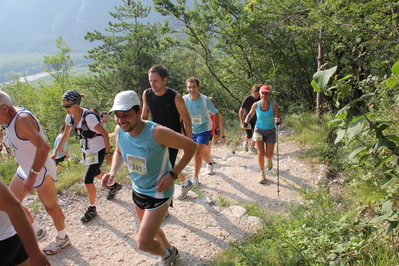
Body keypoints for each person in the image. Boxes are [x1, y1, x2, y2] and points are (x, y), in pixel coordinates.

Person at [102, 90, 196, 266]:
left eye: (126, 115)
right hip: (138, 189)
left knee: (143, 243)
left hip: (159, 191)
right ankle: (171, 251)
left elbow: (191, 146)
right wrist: (113, 172)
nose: (121, 120)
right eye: (117, 115)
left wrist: (173, 174)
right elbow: (120, 151)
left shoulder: (157, 132)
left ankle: (166, 254)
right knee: (152, 231)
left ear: (139, 112)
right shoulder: (119, 130)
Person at [0, 91, 70, 255]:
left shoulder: (21, 120)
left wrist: (32, 175)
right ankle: (37, 231)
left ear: (4, 108)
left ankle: (62, 236)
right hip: (24, 168)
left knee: (51, 208)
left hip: (40, 169)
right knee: (12, 205)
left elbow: (43, 147)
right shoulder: (8, 119)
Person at [51, 90, 122, 223]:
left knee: (87, 180)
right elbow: (65, 135)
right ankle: (113, 185)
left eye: (68, 106)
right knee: (95, 173)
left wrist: (108, 154)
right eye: (64, 106)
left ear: (76, 104)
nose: (65, 109)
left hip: (98, 148)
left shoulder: (88, 117)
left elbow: (105, 134)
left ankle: (92, 208)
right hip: (87, 150)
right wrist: (55, 152)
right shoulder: (69, 117)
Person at [141, 64, 194, 200]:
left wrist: (188, 144)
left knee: (165, 173)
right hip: (155, 136)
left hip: (172, 138)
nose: (152, 84)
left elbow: (187, 120)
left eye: (156, 80)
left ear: (165, 80)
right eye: (150, 80)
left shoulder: (175, 97)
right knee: (165, 167)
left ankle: (163, 205)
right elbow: (144, 117)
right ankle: (185, 183)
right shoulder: (147, 94)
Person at [0, 180, 51, 266]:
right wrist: (34, 252)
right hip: (14, 234)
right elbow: (14, 207)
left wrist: (35, 253)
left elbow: (14, 207)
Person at [183, 77, 220, 186]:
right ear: (186, 88)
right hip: (191, 130)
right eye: (189, 87)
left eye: (194, 87)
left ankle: (195, 177)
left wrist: (217, 131)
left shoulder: (205, 100)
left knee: (197, 153)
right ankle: (209, 163)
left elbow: (216, 113)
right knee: (201, 151)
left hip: (204, 129)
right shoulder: (184, 99)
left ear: (198, 87)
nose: (192, 89)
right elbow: (181, 115)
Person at [243, 85, 281, 184]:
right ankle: (262, 173)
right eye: (262, 93)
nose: (264, 95)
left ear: (270, 94)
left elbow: (278, 116)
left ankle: (269, 159)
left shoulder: (274, 105)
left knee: (268, 154)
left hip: (270, 131)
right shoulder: (256, 105)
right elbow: (250, 114)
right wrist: (246, 122)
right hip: (258, 130)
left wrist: (278, 120)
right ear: (260, 94)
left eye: (266, 93)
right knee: (260, 154)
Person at [239, 84, 261, 153]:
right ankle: (245, 142)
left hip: (256, 119)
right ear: (252, 92)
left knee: (256, 134)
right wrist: (242, 122)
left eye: (258, 94)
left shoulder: (261, 99)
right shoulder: (247, 99)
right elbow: (241, 110)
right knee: (249, 135)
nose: (256, 96)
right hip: (247, 119)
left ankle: (252, 147)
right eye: (255, 94)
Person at [205, 97, 226, 164]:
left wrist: (222, 136)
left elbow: (220, 124)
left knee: (208, 144)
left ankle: (208, 160)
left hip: (211, 131)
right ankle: (207, 159)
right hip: (201, 130)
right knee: (205, 145)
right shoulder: (202, 111)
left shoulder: (216, 112)